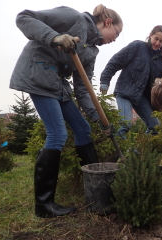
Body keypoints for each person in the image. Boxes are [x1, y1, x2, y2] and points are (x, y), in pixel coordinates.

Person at [9, 5, 123, 218]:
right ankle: (44, 205)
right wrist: (55, 37)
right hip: (38, 73)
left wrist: (99, 118)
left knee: (82, 128)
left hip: (57, 84)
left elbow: (84, 89)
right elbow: (24, 17)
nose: (115, 39)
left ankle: (95, 186)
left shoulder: (91, 50)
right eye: (116, 33)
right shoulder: (73, 18)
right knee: (57, 134)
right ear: (107, 22)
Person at [99, 25, 162, 138]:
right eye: (156, 39)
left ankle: (138, 153)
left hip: (140, 98)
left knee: (155, 127)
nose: (157, 43)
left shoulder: (161, 60)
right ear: (150, 35)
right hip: (125, 91)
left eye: (161, 41)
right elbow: (116, 61)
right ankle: (114, 151)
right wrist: (105, 80)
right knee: (125, 124)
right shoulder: (137, 46)